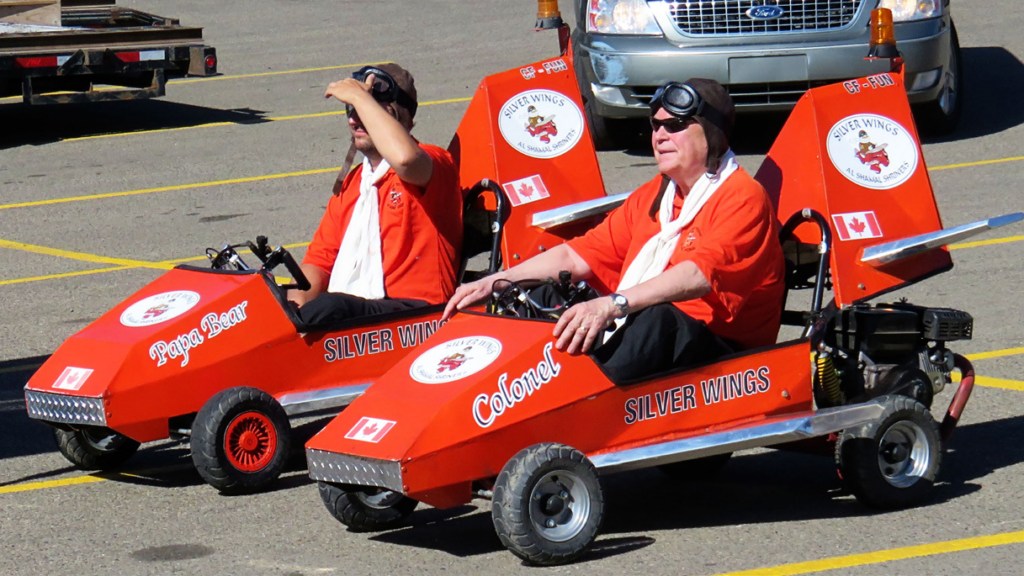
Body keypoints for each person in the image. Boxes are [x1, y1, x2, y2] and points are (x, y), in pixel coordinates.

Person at [444, 78, 784, 382]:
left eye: (676, 125)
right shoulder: (654, 195)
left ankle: (569, 397)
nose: (659, 136)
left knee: (656, 319)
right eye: (656, 125)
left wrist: (614, 304)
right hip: (650, 331)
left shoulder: (743, 196)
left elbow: (698, 275)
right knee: (541, 295)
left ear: (712, 133)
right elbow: (575, 256)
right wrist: (498, 280)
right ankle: (514, 393)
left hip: (721, 353)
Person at [289, 64, 462, 326]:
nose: (353, 120)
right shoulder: (354, 183)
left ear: (399, 116)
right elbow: (319, 263)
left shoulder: (434, 162)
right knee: (270, 301)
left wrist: (360, 97)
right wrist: (291, 315)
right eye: (350, 110)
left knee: (332, 306)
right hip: (363, 317)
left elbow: (404, 159)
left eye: (364, 111)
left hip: (421, 315)